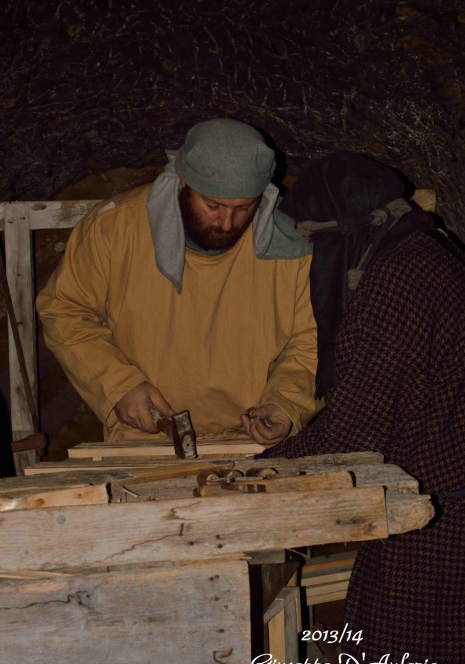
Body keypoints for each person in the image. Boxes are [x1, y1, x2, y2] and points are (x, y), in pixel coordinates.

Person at [259, 153, 465, 664]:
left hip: (432, 536)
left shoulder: (392, 284)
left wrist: (262, 472)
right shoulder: (433, 249)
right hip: (442, 509)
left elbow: (354, 435)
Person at [37, 119, 322, 447]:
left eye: (244, 208)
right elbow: (64, 311)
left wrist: (285, 403)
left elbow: (311, 340)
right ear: (183, 183)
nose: (227, 223)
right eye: (213, 205)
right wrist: (118, 385)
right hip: (147, 437)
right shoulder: (115, 229)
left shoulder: (292, 249)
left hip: (252, 443)